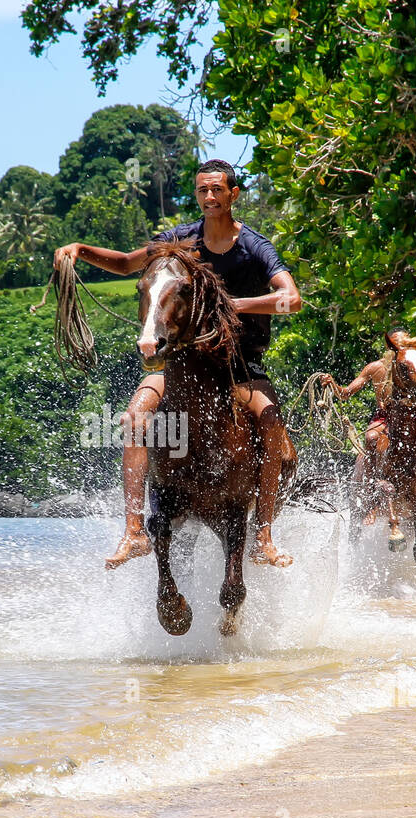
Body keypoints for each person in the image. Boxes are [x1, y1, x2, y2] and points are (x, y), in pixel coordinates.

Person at [54, 159, 302, 569]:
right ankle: (134, 531)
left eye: (217, 190)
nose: (209, 197)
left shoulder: (255, 247)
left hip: (239, 368)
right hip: (181, 366)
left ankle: (264, 536)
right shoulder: (180, 241)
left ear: (233, 194)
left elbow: (291, 299)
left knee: (272, 421)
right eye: (203, 190)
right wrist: (80, 251)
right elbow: (127, 263)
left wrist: (234, 305)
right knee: (135, 417)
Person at [318, 327, 416, 538]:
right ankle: (370, 495)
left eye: (404, 345)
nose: (400, 349)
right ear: (389, 348)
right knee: (370, 438)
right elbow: (346, 394)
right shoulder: (375, 368)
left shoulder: (413, 365)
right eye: (396, 345)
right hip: (383, 420)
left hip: (412, 421)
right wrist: (332, 385)